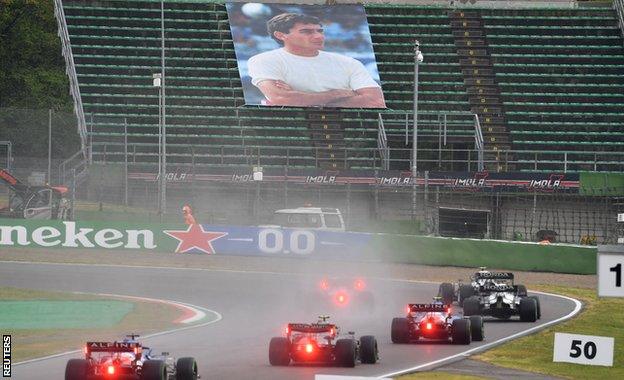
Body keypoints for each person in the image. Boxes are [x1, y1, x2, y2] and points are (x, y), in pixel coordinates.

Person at [247, 13, 385, 108]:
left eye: (320, 31)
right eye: (307, 31)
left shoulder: (348, 62)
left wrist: (303, 101)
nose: (318, 36)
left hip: (345, 125)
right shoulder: (263, 60)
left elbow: (376, 101)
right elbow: (282, 99)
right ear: (281, 35)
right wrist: (339, 94)